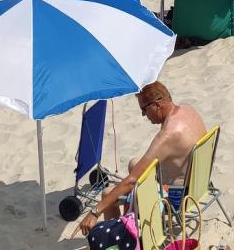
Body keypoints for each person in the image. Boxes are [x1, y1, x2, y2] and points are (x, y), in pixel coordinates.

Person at [77, 81, 207, 234]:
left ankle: (118, 240)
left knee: (107, 194)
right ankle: (128, 222)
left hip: (179, 198)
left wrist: (95, 211)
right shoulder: (187, 109)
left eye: (144, 110)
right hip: (199, 181)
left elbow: (132, 181)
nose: (143, 115)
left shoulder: (167, 135)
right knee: (134, 163)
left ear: (157, 105)